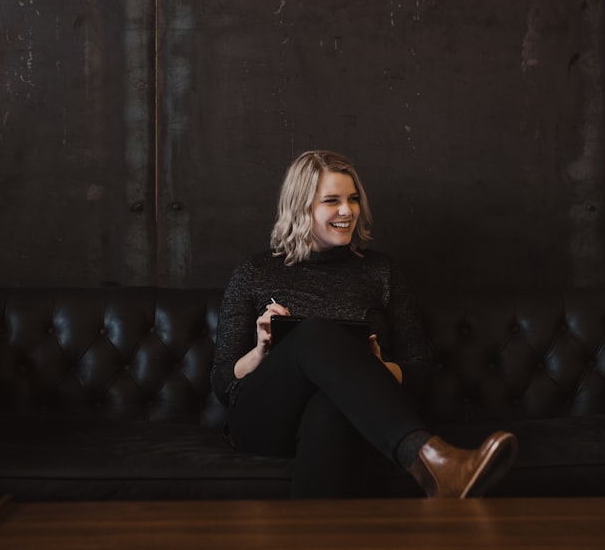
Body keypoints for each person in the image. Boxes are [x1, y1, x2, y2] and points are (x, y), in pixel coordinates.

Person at [210, 150, 517, 498]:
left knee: (329, 406)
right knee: (314, 332)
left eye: (353, 199)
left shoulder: (382, 272)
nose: (348, 211)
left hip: (349, 419)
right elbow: (222, 382)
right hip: (264, 422)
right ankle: (427, 457)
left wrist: (378, 368)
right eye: (332, 201)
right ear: (300, 207)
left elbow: (420, 372)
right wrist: (261, 350)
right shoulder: (254, 272)